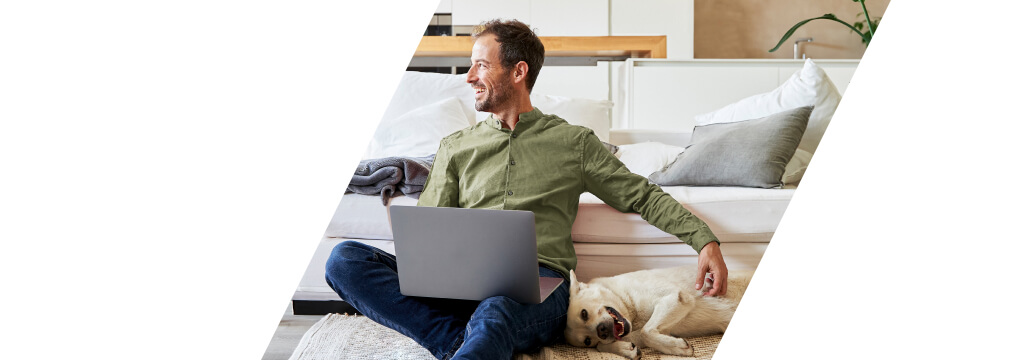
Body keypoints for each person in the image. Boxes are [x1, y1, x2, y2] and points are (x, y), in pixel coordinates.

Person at [324, 19, 728, 360]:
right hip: (460, 281)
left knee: (496, 311)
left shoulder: (574, 143)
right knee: (344, 259)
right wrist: (430, 267)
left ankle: (477, 338)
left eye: (481, 66)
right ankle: (458, 342)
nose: (468, 78)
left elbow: (641, 193)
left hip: (538, 285)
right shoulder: (456, 146)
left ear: (517, 72)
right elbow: (431, 229)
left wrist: (705, 242)